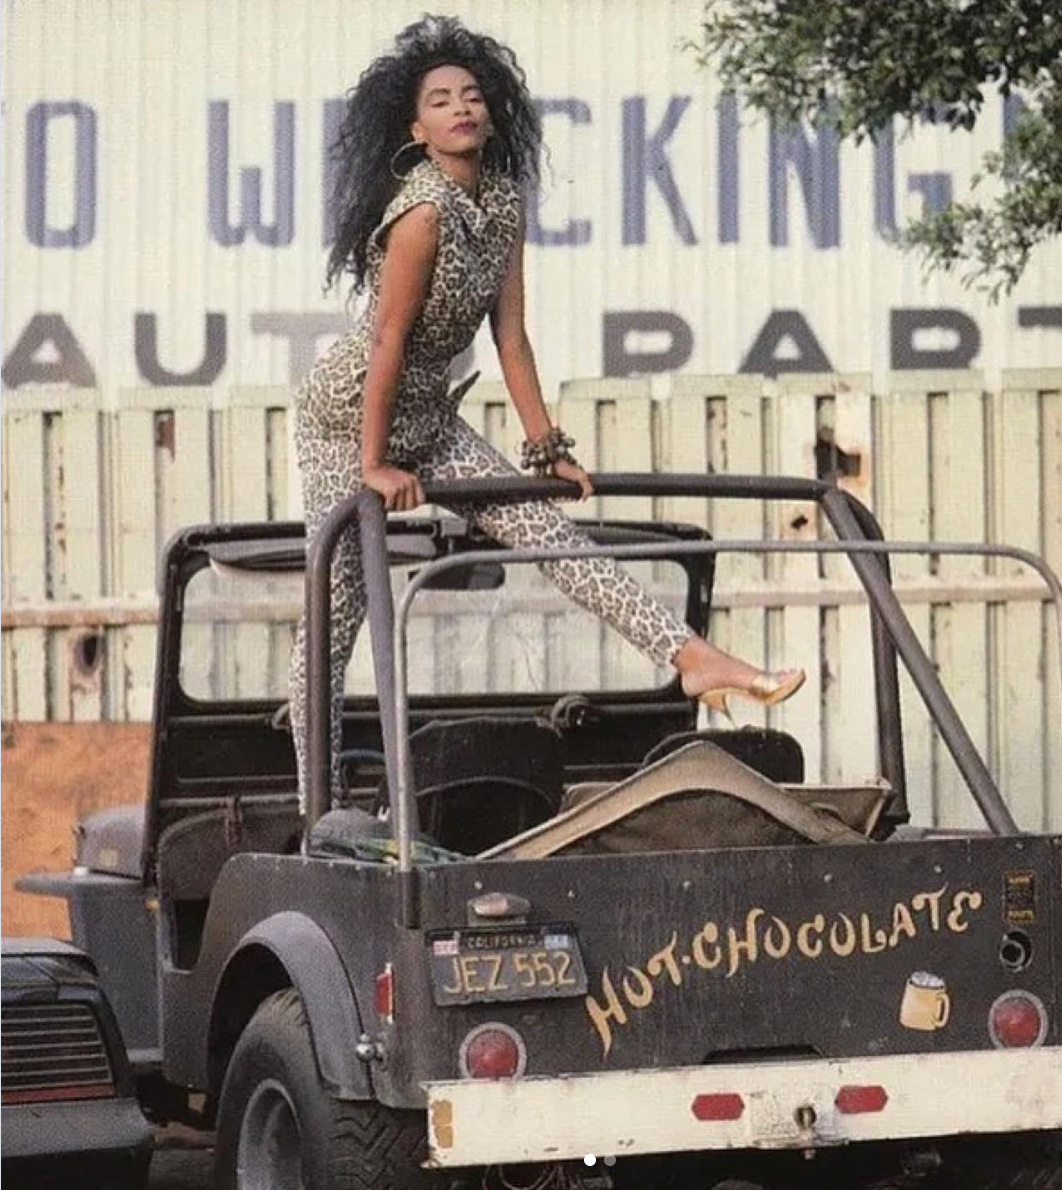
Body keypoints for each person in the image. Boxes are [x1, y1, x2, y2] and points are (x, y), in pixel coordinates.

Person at [287, 14, 805, 809]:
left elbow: (511, 333)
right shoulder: (420, 214)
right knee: (336, 619)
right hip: (350, 420)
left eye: (472, 96)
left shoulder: (500, 203)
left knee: (551, 531)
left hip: (429, 418)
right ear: (416, 129)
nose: (461, 107)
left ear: (492, 114)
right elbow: (386, 340)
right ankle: (316, 813)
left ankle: (691, 655)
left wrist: (545, 447)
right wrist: (373, 465)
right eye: (440, 100)